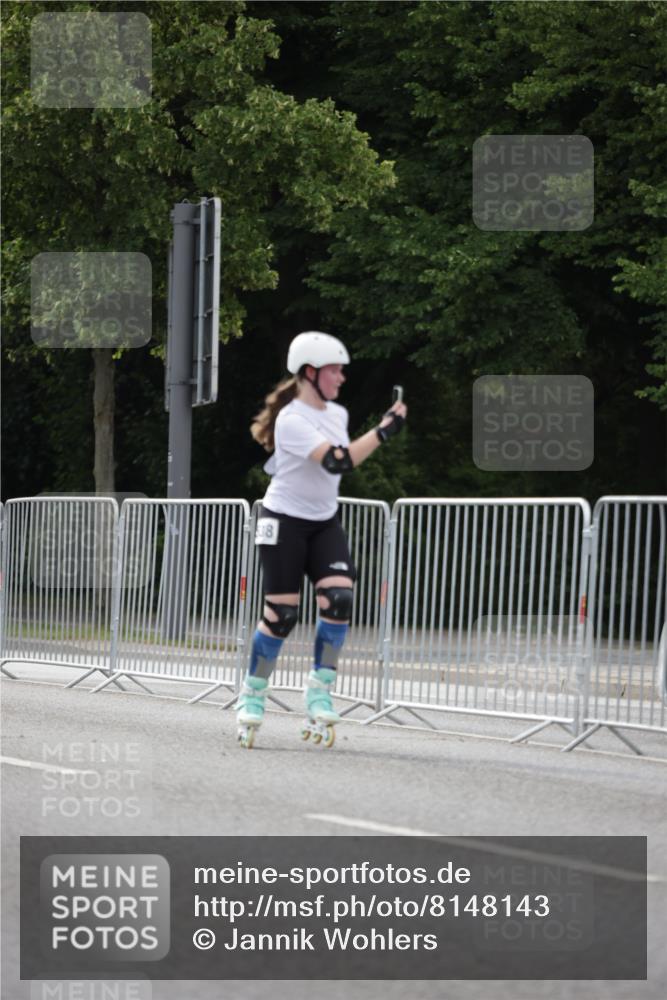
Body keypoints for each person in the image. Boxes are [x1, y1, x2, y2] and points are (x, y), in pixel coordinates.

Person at [236, 331, 407, 748]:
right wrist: (383, 431)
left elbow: (342, 456)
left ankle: (319, 688)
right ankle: (253, 693)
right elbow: (337, 461)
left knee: (339, 602)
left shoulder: (338, 414)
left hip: (323, 521)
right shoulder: (292, 420)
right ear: (310, 373)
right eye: (335, 370)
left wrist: (375, 434)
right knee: (281, 616)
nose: (341, 377)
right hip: (284, 520)